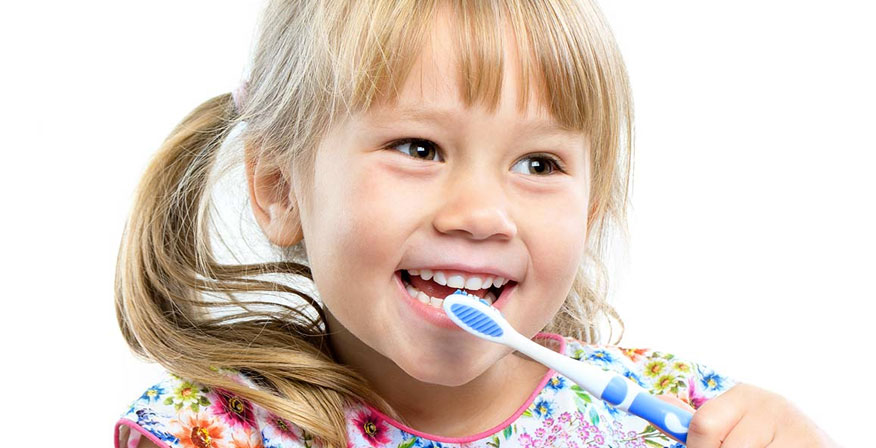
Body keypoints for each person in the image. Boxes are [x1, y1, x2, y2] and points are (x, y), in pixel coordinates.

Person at [114, 1, 836, 447]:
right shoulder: (213, 431)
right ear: (278, 186)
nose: (483, 215)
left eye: (539, 164)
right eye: (419, 149)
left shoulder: (685, 419)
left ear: (592, 207)